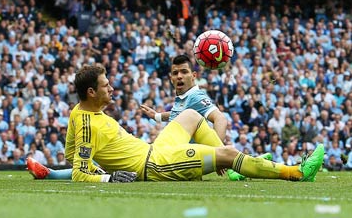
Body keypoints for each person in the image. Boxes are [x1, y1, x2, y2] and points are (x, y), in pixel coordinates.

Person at [65, 64, 323, 182]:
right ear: (90, 92)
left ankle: (233, 166)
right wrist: (109, 178)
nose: (111, 87)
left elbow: (70, 156)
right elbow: (79, 171)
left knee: (190, 114)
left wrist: (51, 173)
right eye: (105, 84)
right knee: (228, 153)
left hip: (154, 149)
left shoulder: (79, 113)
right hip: (155, 166)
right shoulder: (88, 123)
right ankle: (295, 173)